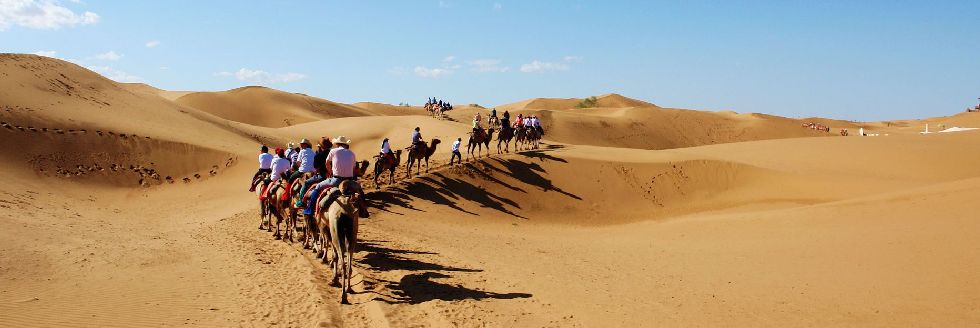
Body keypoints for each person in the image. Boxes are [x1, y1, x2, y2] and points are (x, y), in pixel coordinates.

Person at [304, 136, 364, 216]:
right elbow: (353, 169)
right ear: (345, 144)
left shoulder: (333, 151)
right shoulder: (352, 153)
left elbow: (327, 163)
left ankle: (310, 209)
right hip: (350, 181)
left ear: (337, 144)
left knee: (318, 186)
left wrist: (331, 171)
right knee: (360, 190)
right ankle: (364, 210)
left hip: (337, 180)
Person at [295, 138, 331, 208]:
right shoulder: (332, 153)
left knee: (305, 183)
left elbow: (316, 168)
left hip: (321, 176)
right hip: (332, 176)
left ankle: (301, 201)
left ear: (320, 146)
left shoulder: (318, 155)